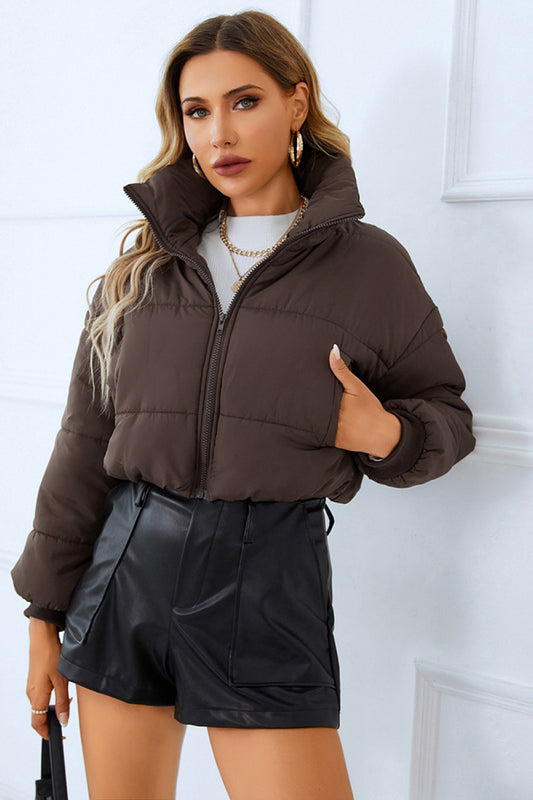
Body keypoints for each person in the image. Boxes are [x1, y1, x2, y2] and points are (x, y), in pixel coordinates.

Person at [11, 10, 476, 800]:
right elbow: (83, 444)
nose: (218, 133)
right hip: (123, 575)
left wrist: (387, 433)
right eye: (197, 111)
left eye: (244, 101)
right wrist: (42, 615)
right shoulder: (146, 270)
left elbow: (448, 415)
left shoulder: (368, 266)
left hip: (267, 584)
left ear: (296, 104)